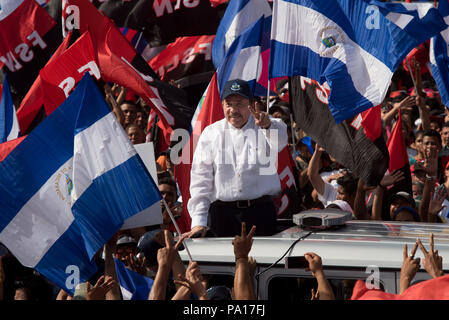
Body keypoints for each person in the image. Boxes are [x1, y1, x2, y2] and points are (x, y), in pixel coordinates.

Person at [186, 79, 288, 238]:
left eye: (239, 104)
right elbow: (201, 179)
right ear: (222, 105)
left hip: (260, 212)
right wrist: (199, 221)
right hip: (222, 214)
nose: (233, 110)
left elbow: (280, 142)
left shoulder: (268, 125)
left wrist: (266, 125)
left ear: (252, 104)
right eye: (229, 104)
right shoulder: (211, 133)